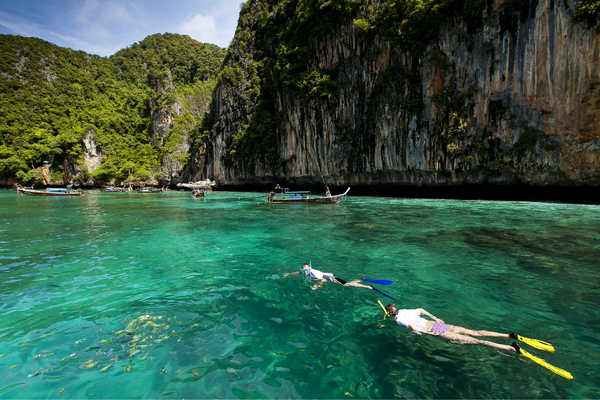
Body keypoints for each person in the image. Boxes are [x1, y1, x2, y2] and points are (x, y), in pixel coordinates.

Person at [384, 304, 520, 353]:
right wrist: (436, 318)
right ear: (395, 308)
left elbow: (411, 327)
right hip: (436, 325)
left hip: (433, 330)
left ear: (389, 314)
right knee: (475, 333)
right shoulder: (405, 311)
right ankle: (508, 336)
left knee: (478, 341)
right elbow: (420, 309)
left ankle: (511, 348)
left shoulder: (399, 320)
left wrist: (416, 333)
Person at [285, 263, 374, 290]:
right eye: (303, 268)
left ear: (309, 267)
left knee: (347, 284)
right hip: (329, 277)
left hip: (331, 278)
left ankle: (367, 286)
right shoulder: (305, 272)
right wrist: (289, 274)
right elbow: (298, 273)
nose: (304, 269)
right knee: (347, 283)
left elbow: (322, 280)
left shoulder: (313, 273)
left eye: (305, 268)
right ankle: (362, 279)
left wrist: (316, 286)